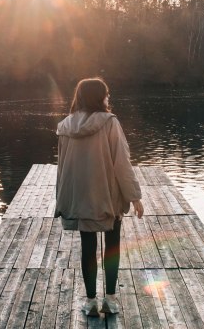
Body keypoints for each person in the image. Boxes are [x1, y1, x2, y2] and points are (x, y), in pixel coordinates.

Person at [55, 77, 144, 317]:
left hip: (81, 198)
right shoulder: (110, 123)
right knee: (112, 246)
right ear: (99, 97)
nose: (108, 98)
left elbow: (62, 168)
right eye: (106, 94)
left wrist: (62, 201)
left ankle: (91, 301)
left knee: (87, 248)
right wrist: (134, 196)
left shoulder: (65, 126)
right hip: (108, 197)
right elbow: (122, 163)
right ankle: (111, 300)